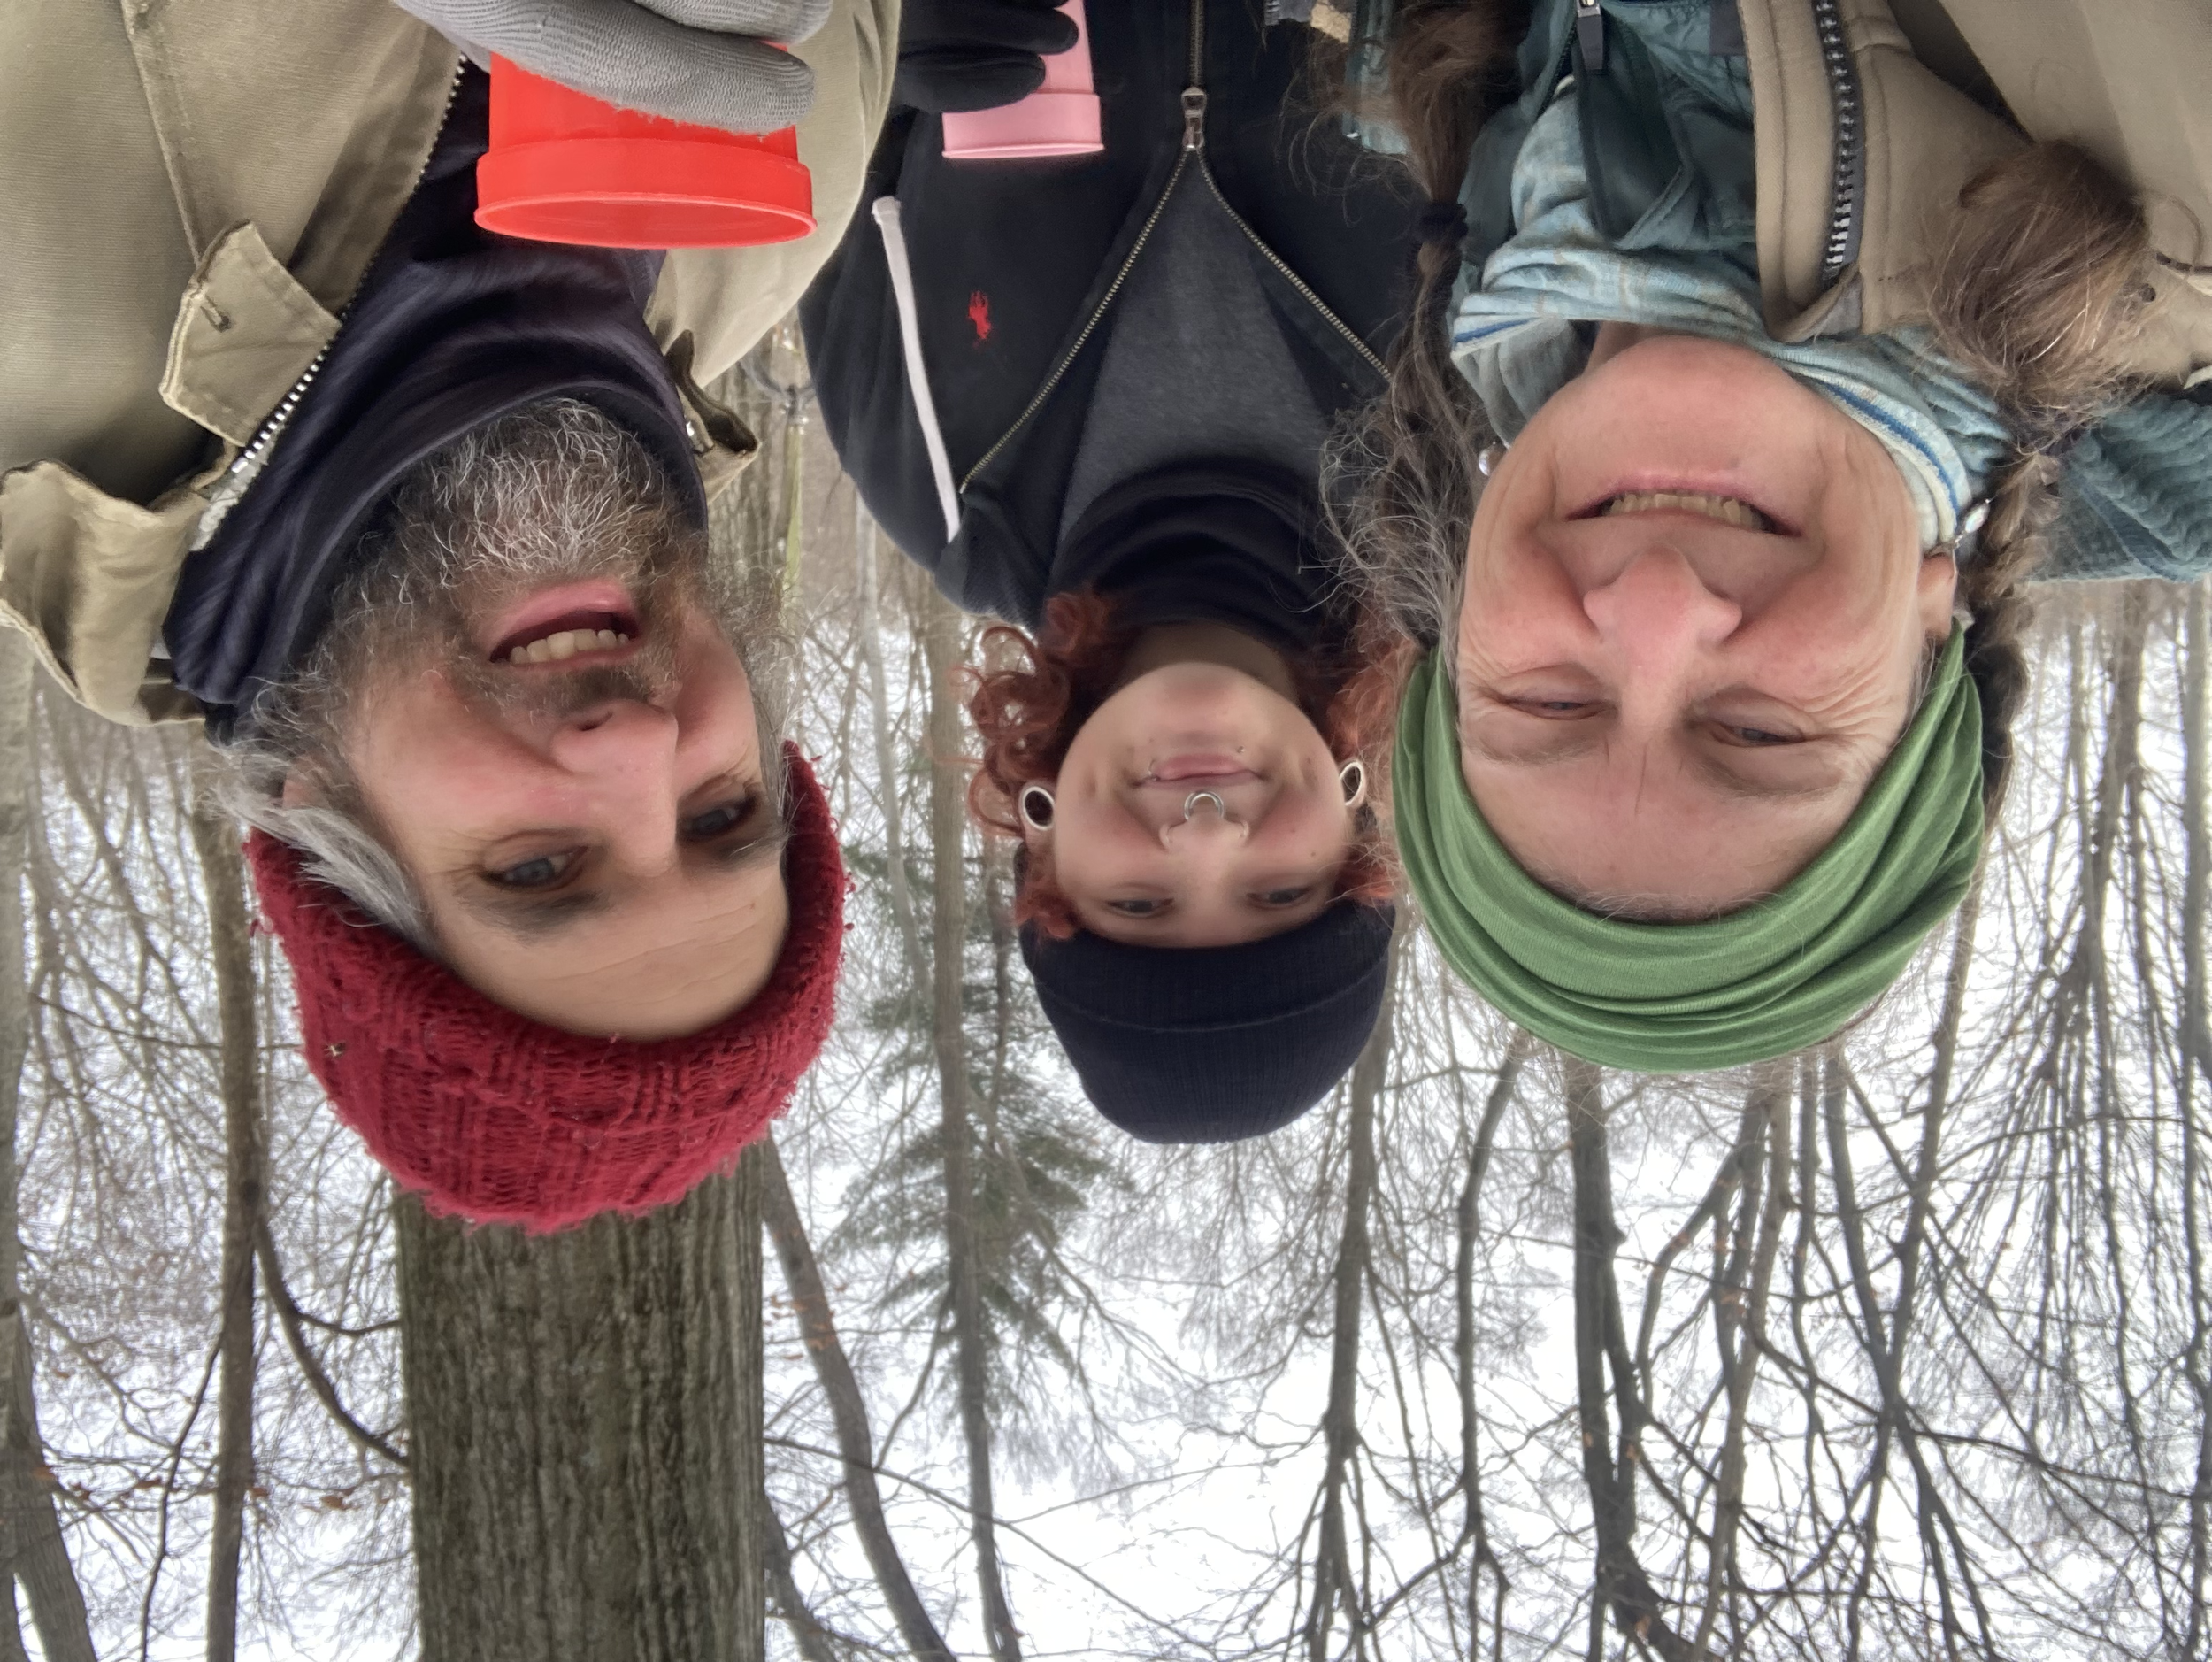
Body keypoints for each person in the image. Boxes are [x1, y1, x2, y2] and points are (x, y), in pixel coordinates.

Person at [0, 0, 898, 1227]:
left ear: (320, 812)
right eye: (722, 810)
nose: (636, 752)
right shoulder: (800, 202)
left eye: (536, 866)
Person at [1328, 0, 2212, 1073]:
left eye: (1550, 701)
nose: (1655, 603)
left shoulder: (1474, 151)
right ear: (1936, 639)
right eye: (1757, 732)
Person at [801, 0, 1417, 1140]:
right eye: (1281, 892)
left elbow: (808, 89)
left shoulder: (933, 479)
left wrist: (872, 34)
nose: (1202, 835)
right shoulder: (1453, 460)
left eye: (1137, 901)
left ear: (1043, 845)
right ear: (1354, 821)